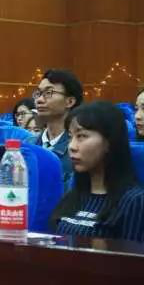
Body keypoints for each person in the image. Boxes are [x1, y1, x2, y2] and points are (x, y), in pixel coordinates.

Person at [50, 101, 144, 242]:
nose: (71, 146)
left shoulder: (134, 201)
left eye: (81, 136)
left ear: (109, 141)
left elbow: (131, 255)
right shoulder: (73, 195)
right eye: (70, 137)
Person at [27, 69, 83, 184]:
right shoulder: (28, 144)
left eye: (48, 93)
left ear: (70, 101)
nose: (39, 100)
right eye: (38, 93)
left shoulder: (78, 150)